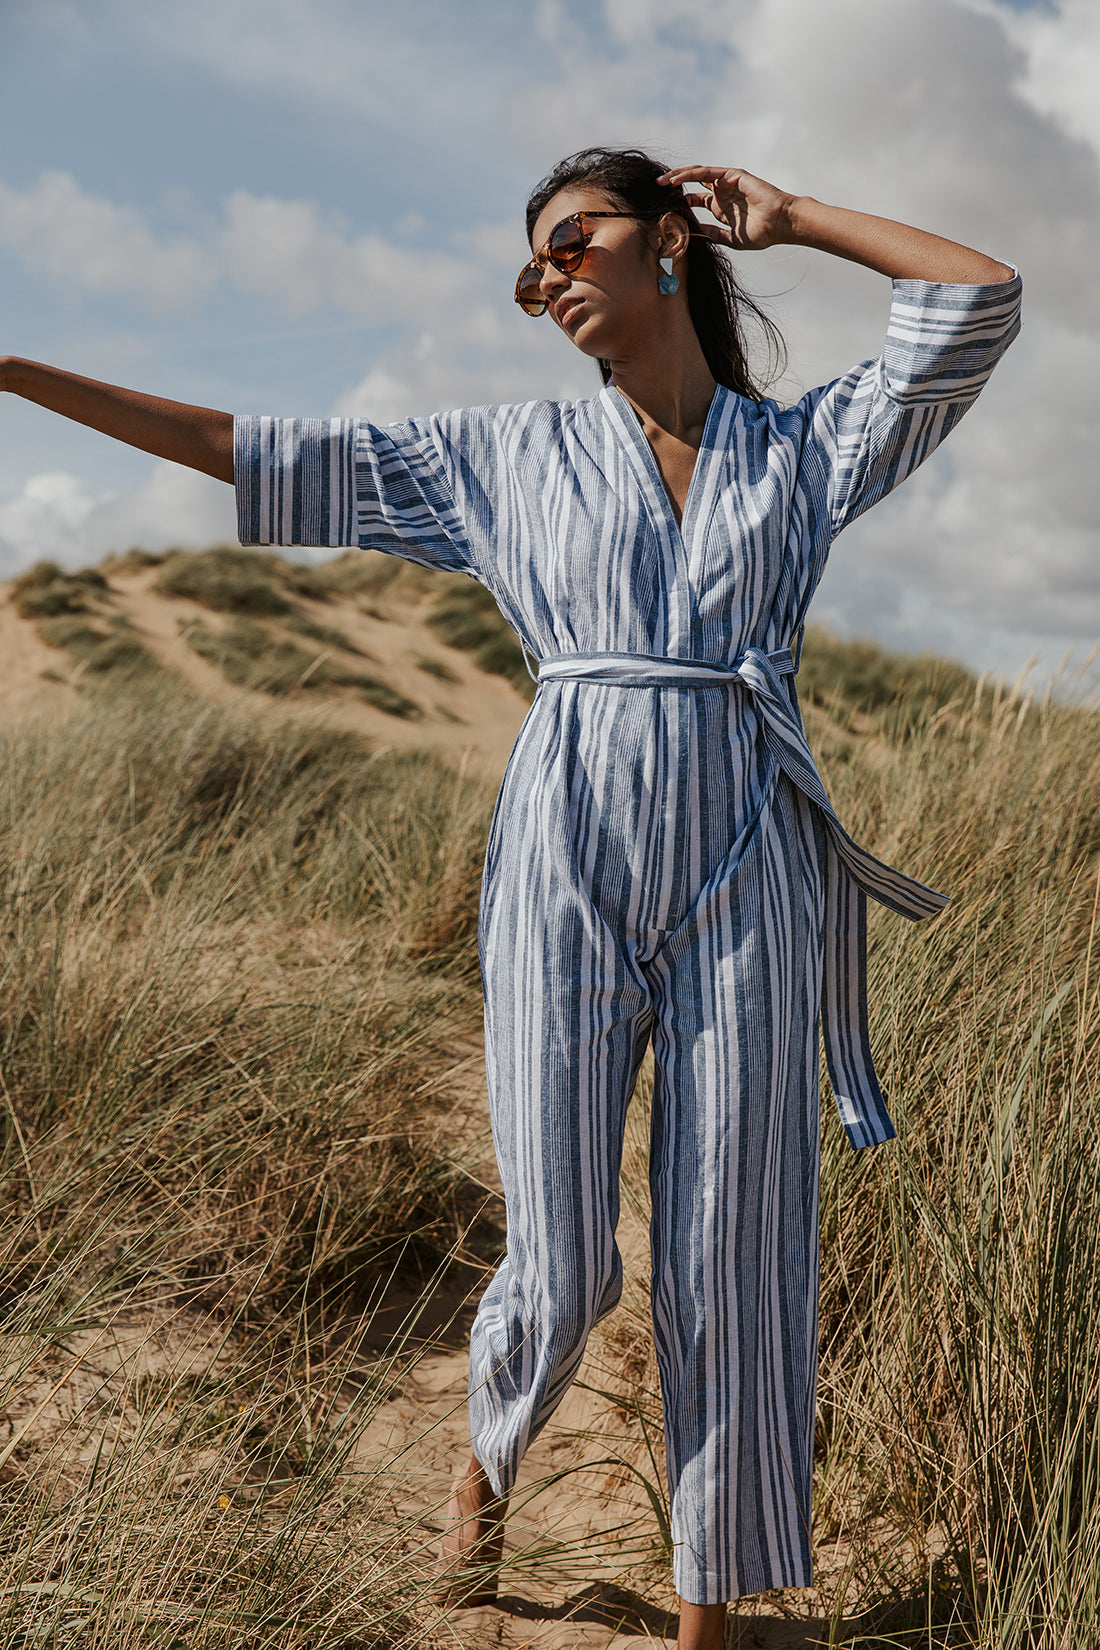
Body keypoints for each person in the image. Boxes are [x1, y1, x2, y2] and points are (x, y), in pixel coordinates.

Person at [1, 148, 1019, 1650]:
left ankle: (706, 1608)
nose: (545, 278)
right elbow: (246, 445)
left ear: (670, 240)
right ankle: (485, 1471)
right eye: (531, 266)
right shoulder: (503, 457)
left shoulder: (800, 449)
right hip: (566, 860)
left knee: (737, 1242)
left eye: (570, 240)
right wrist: (21, 372)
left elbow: (976, 299)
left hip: (754, 862)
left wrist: (794, 218)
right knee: (564, 1257)